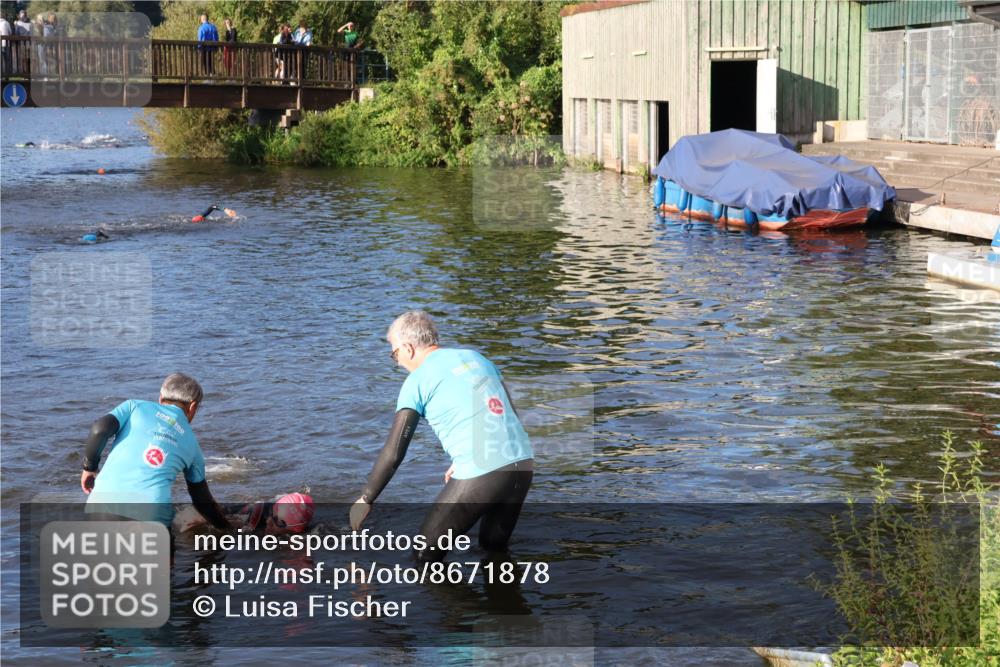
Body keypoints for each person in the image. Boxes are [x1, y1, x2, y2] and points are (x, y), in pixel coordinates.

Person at [350, 311, 534, 563]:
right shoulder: (476, 357)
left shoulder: (417, 381)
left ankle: (464, 604)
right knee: (494, 551)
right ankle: (506, 601)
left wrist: (366, 498)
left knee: (424, 559)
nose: (398, 362)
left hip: (484, 470)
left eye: (395, 354)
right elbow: (503, 412)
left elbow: (394, 453)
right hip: (523, 462)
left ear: (408, 348)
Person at [81, 374, 232, 550]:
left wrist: (89, 467)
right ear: (193, 406)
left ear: (160, 398)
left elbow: (99, 430)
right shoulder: (193, 447)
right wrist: (227, 529)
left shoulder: (133, 407)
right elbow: (201, 500)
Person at [175, 492, 315, 535]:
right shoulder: (260, 516)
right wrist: (207, 518)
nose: (269, 522)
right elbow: (231, 523)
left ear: (296, 528)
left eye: (279, 521)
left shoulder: (308, 535)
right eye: (274, 513)